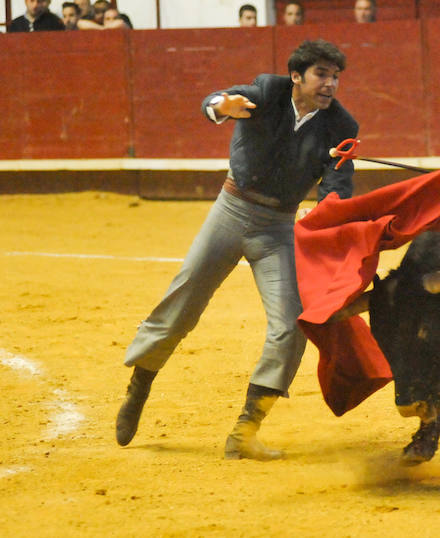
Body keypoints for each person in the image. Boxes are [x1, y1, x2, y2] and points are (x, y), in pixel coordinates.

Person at [115, 39, 359, 461]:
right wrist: (219, 108)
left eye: (335, 76)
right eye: (322, 74)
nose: (330, 84)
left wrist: (324, 211)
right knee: (182, 304)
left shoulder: (341, 126)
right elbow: (216, 100)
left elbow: (338, 183)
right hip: (230, 213)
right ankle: (140, 386)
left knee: (291, 325)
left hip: (278, 227)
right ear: (296, 76)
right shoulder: (266, 91)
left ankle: (246, 430)